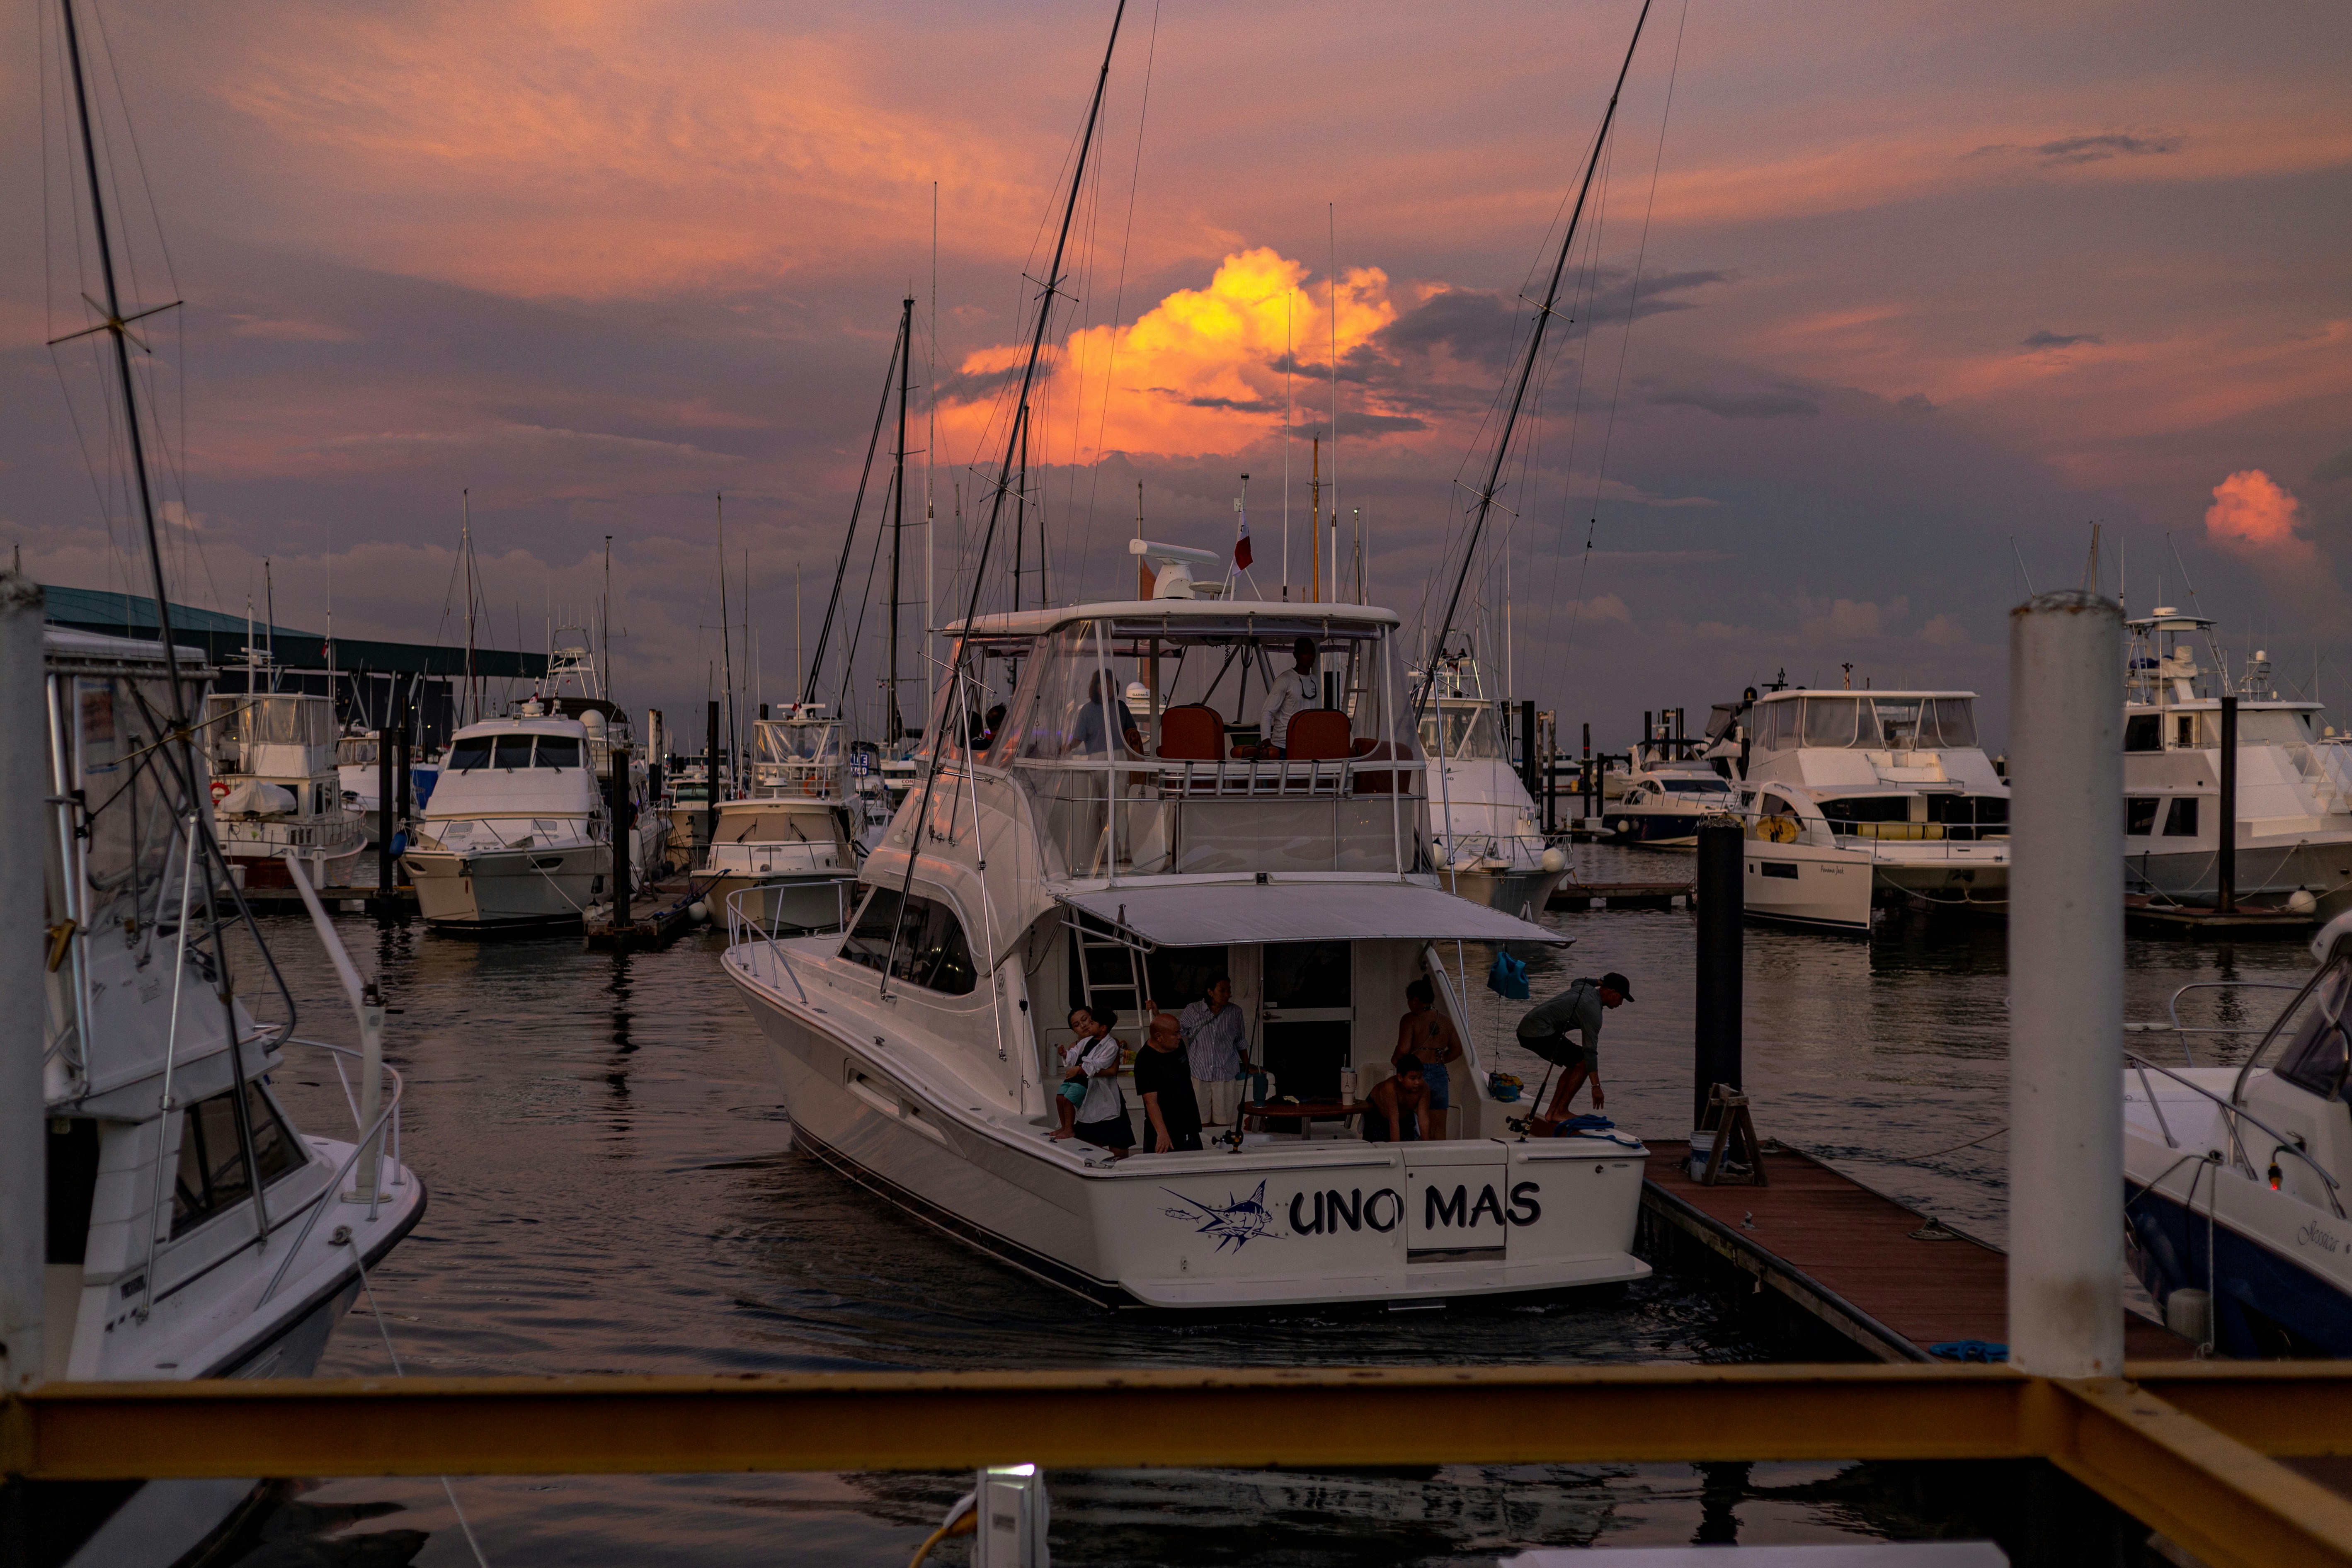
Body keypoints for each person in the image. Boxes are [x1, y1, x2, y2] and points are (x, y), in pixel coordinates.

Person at [1517, 971, 1631, 1131]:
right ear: (1611, 992)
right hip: (1536, 1033)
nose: (1621, 1003)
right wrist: (1596, 1086)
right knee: (1583, 1061)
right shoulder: (1593, 1012)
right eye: (1621, 998)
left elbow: (1577, 981)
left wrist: (1601, 981)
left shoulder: (1584, 988)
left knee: (1576, 1060)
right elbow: (1590, 1050)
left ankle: (1554, 1112)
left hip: (1529, 1026)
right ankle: (1559, 1112)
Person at [1392, 977, 1463, 1140]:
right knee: (1438, 1128)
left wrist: (1395, 1060)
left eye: (1409, 1000)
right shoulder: (1445, 1021)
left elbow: (1402, 1051)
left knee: (1414, 1124)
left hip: (1416, 1075)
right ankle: (1438, 1162)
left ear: (1415, 1000)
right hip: (1440, 1073)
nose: (1409, 1004)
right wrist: (1440, 1060)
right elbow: (1457, 1050)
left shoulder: (1410, 1019)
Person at [1176, 975, 1249, 1129]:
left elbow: (1240, 1041)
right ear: (1210, 992)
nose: (1227, 995)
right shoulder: (1193, 1009)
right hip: (1199, 1073)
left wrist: (1249, 1066)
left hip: (1225, 1074)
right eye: (1222, 991)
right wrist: (1157, 1015)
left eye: (1229, 991)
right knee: (1200, 1123)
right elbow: (1177, 1033)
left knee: (1222, 1125)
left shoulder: (1235, 1012)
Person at [1059, 1005, 1134, 1154]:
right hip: (1087, 1101)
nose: (1084, 1025)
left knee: (1118, 1149)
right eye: (1077, 1025)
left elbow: (1113, 1071)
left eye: (1086, 1020)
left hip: (1108, 1098)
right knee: (1089, 1150)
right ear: (1074, 1030)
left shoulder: (1111, 1043)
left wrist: (1081, 1071)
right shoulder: (1075, 1047)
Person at [1133, 1012, 1204, 1153]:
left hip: (1189, 1126)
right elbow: (1150, 1101)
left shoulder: (1178, 1046)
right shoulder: (1145, 1060)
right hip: (1163, 1130)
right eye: (1175, 1034)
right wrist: (1162, 1133)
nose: (1180, 1037)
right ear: (1159, 1037)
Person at [1256, 636, 1321, 757]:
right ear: (1296, 655)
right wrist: (1266, 741)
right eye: (1306, 653)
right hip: (1282, 746)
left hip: (1305, 745)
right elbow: (1267, 713)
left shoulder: (1315, 680)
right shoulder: (1284, 680)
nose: (1311, 657)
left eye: (1313, 653)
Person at [1070, 672, 1142, 757]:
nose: (1108, 687)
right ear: (1096, 687)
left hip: (1121, 756)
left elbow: (1132, 733)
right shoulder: (1087, 710)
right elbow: (1079, 738)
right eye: (1104, 683)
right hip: (1098, 758)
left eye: (1111, 684)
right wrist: (1068, 748)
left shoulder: (1121, 707)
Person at [1362, 1059, 1431, 1143]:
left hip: (1405, 1117)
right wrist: (1396, 1149)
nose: (1417, 1082)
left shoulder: (1424, 1088)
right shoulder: (1390, 1088)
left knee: (1408, 1147)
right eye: (1413, 1079)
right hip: (1378, 1116)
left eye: (1420, 1077)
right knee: (1378, 1149)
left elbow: (1424, 1118)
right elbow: (1393, 1120)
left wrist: (1427, 1145)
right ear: (1400, 1078)